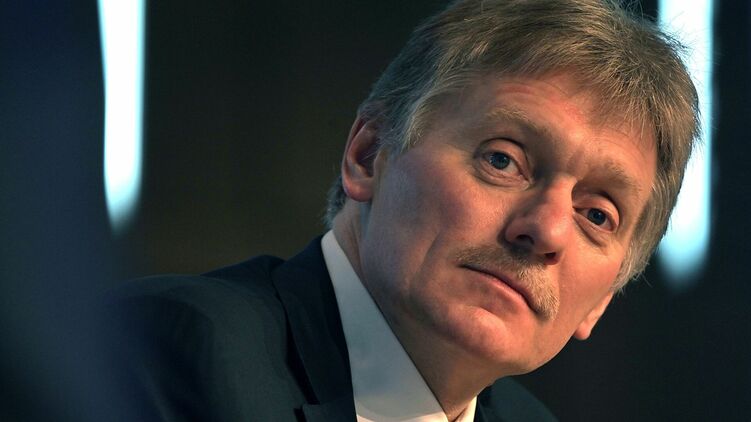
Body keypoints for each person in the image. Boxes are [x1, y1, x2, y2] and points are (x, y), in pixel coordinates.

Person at [114, 0, 699, 420]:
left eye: (596, 215)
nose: (546, 230)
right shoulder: (168, 355)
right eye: (503, 160)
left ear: (602, 299)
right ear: (369, 155)